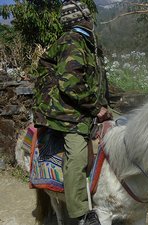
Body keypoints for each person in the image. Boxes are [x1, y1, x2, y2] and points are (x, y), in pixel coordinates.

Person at [33, 1, 110, 224]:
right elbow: (70, 85)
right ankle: (81, 213)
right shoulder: (72, 41)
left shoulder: (86, 45)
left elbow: (97, 84)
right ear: (81, 19)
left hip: (77, 107)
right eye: (88, 16)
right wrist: (97, 108)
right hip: (64, 112)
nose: (91, 21)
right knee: (76, 155)